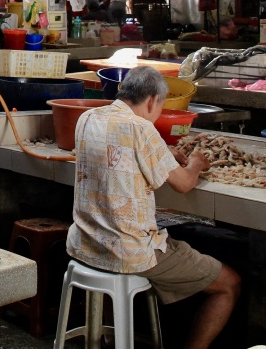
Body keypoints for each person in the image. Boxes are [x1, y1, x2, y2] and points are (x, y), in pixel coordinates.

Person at [68, 67, 240, 349]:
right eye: (160, 106)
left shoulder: (88, 118)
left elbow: (121, 154)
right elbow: (184, 184)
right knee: (229, 284)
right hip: (128, 251)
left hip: (87, 242)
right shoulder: (142, 128)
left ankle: (112, 338)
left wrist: (162, 151)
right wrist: (196, 163)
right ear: (151, 100)